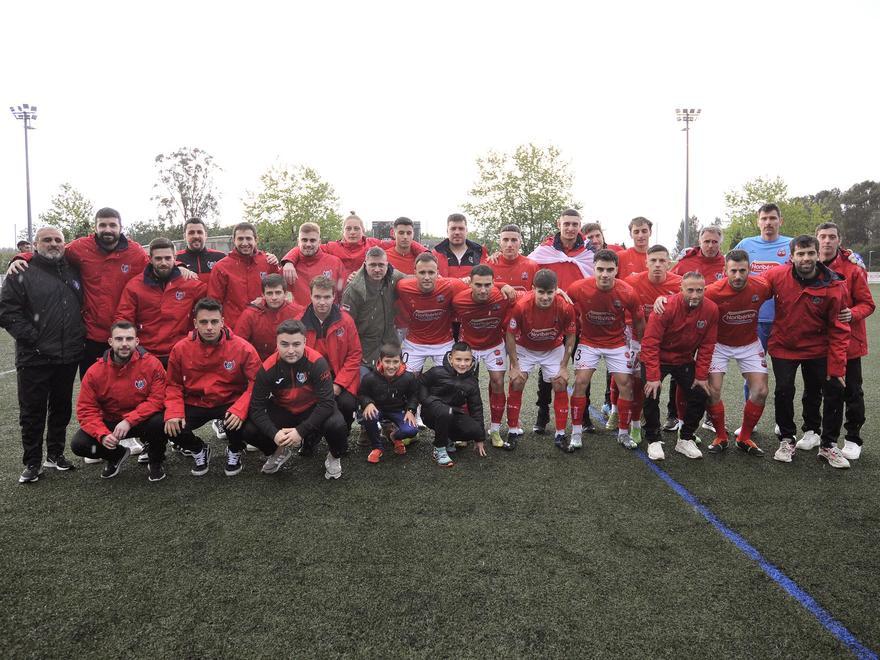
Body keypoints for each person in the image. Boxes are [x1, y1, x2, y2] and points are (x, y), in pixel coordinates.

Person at [7, 207, 149, 378]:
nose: (108, 229)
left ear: (121, 228)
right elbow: (52, 251)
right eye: (102, 225)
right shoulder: (80, 247)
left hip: (124, 333)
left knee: (126, 388)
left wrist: (178, 266)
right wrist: (23, 257)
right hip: (91, 336)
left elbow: (157, 269)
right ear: (95, 228)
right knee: (93, 386)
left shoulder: (136, 252)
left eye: (113, 225)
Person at [657, 249, 771, 455]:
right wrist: (663, 299)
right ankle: (721, 436)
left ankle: (744, 437)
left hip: (749, 343)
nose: (738, 276)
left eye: (742, 271)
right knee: (712, 390)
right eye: (733, 271)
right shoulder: (713, 291)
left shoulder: (762, 287)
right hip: (718, 344)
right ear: (725, 270)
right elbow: (686, 294)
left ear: (750, 269)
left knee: (761, 391)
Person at [0, 227, 84, 483]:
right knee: (32, 412)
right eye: (47, 240)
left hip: (67, 355)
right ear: (35, 245)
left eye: (58, 240)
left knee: (61, 408)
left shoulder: (72, 269)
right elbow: (6, 311)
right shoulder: (21, 271)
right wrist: (34, 339)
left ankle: (55, 454)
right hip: (34, 356)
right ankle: (32, 462)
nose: (53, 244)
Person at [762, 235, 851, 468]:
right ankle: (787, 439)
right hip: (784, 345)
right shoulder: (776, 275)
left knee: (832, 387)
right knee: (784, 389)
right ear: (791, 257)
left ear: (818, 254)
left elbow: (840, 329)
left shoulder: (834, 284)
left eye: (810, 253)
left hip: (818, 347)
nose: (806, 258)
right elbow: (747, 290)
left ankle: (828, 444)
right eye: (800, 254)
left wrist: (837, 366)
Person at [164, 298, 262, 477]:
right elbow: (173, 384)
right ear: (195, 324)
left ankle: (235, 448)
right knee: (166, 424)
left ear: (222, 322)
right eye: (203, 322)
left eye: (214, 321)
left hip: (229, 402)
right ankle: (198, 448)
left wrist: (240, 409)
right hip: (196, 402)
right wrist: (173, 412)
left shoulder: (243, 348)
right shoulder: (180, 349)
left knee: (247, 424)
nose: (209, 327)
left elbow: (257, 382)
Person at [244, 319, 348, 479]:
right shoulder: (267, 368)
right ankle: (278, 451)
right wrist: (274, 434)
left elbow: (327, 403)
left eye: (296, 344)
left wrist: (301, 431)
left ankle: (334, 456)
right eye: (285, 344)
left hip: (313, 409)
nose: (291, 350)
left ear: (305, 342)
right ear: (277, 343)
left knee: (337, 425)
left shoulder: (317, 362)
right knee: (248, 429)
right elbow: (256, 408)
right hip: (284, 409)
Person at [805, 223, 875, 460]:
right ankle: (812, 430)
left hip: (848, 343)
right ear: (816, 240)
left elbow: (868, 303)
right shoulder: (807, 265)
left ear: (839, 240)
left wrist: (852, 313)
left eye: (831, 237)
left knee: (851, 390)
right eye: (822, 236)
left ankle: (853, 437)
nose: (826, 241)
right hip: (816, 343)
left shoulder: (853, 269)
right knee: (813, 389)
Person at [567, 249, 645, 451]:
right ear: (593, 269)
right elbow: (563, 306)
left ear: (616, 270)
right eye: (600, 269)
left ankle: (624, 433)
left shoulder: (627, 291)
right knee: (580, 382)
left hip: (616, 343)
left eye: (610, 270)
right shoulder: (578, 288)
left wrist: (639, 347)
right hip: (589, 342)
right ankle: (576, 433)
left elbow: (638, 320)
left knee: (626, 385)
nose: (604, 274)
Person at [71, 322, 168, 481]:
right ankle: (116, 455)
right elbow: (86, 410)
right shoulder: (95, 371)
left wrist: (129, 421)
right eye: (119, 339)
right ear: (110, 342)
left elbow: (158, 399)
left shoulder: (152, 364)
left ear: (136, 341)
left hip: (142, 421)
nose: (124, 344)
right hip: (112, 424)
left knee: (162, 421)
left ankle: (155, 460)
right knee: (79, 444)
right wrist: (102, 434)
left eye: (129, 339)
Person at [527, 209, 595, 433]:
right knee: (548, 370)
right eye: (566, 224)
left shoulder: (590, 252)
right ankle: (542, 413)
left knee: (583, 368)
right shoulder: (544, 251)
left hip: (581, 319)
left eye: (575, 224)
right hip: (549, 320)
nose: (570, 228)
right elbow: (529, 276)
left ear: (580, 226)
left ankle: (583, 415)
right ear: (559, 224)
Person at [640, 272, 719, 461]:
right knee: (651, 393)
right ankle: (653, 439)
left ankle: (685, 438)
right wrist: (652, 376)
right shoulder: (665, 307)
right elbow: (650, 343)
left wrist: (701, 376)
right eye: (690, 290)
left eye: (699, 290)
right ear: (680, 289)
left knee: (700, 393)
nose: (695, 295)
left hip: (683, 358)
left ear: (704, 290)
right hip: (657, 357)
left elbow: (707, 345)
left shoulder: (711, 309)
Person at [604, 246, 682, 435]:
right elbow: (612, 297)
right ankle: (615, 411)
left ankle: (638, 420)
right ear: (646, 262)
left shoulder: (679, 283)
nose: (657, 265)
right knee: (622, 375)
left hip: (662, 339)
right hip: (633, 336)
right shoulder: (632, 281)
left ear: (669, 263)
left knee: (641, 381)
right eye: (653, 260)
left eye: (662, 261)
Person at [504, 269, 577, 450]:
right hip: (525, 347)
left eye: (550, 292)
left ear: (556, 289)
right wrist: (514, 365)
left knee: (560, 382)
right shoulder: (521, 305)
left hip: (552, 348)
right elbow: (510, 335)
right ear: (533, 289)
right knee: (517, 381)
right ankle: (513, 430)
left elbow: (571, 336)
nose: (545, 297)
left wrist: (564, 366)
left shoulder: (566, 306)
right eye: (541, 292)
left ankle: (560, 434)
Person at [452, 264, 516, 448]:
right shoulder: (458, 300)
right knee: (463, 387)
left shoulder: (502, 296)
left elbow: (530, 294)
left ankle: (494, 429)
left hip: (493, 345)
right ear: (469, 284)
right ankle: (464, 431)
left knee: (497, 382)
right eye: (478, 285)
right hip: (469, 346)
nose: (483, 289)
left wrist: (558, 290)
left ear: (493, 283)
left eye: (487, 285)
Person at [116, 237, 207, 365]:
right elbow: (124, 318)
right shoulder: (134, 286)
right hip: (146, 354)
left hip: (180, 352)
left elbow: (213, 302)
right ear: (150, 259)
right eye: (158, 259)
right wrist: (128, 345)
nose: (163, 262)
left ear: (175, 258)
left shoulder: (189, 283)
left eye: (168, 258)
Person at [670, 226, 726, 432]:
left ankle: (709, 417)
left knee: (708, 372)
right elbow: (671, 284)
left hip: (711, 324)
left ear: (720, 243)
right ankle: (673, 415)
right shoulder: (686, 261)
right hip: (684, 325)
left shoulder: (726, 264)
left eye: (714, 242)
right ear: (700, 241)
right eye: (707, 241)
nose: (710, 245)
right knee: (679, 370)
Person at [301, 275, 362, 434]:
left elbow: (355, 355)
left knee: (347, 404)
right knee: (307, 403)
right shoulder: (299, 321)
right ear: (310, 296)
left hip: (340, 375)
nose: (322, 302)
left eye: (327, 297)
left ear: (334, 297)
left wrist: (339, 384)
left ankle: (344, 431)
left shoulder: (346, 321)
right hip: (312, 377)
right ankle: (310, 437)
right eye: (317, 297)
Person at [395, 253, 470, 374]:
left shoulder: (451, 285)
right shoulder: (402, 286)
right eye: (422, 272)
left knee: (446, 380)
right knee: (406, 380)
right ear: (415, 273)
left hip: (443, 343)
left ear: (438, 272)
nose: (426, 277)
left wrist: (502, 286)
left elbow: (479, 289)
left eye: (431, 272)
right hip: (414, 343)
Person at [419, 342, 488, 467]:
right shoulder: (436, 372)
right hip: (431, 413)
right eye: (458, 359)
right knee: (446, 412)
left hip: (452, 413)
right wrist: (426, 401)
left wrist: (479, 437)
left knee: (474, 430)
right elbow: (420, 384)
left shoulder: (472, 382)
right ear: (451, 359)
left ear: (472, 361)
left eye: (467, 360)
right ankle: (439, 449)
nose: (462, 364)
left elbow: (476, 408)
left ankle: (447, 438)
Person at [341, 246, 407, 369]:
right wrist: (354, 352)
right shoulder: (354, 289)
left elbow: (412, 280)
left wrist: (437, 278)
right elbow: (345, 326)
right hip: (365, 349)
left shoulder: (393, 277)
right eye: (372, 265)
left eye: (381, 265)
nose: (377, 269)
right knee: (367, 383)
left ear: (387, 265)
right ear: (365, 265)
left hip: (390, 344)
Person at [207, 222, 280, 329]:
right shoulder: (221, 267)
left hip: (263, 325)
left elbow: (279, 292)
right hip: (233, 328)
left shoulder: (267, 262)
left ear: (256, 240)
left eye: (248, 238)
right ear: (234, 240)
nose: (245, 243)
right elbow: (214, 302)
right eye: (240, 239)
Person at [358, 342, 419, 463]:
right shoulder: (369, 378)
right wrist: (368, 403)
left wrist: (411, 410)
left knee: (411, 430)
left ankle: (394, 437)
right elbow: (362, 394)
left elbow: (414, 395)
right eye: (387, 362)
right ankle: (377, 447)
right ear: (380, 360)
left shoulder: (409, 377)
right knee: (368, 414)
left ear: (401, 361)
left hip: (398, 410)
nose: (391, 366)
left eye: (395, 362)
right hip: (378, 409)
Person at [234, 274, 305, 361]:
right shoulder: (250, 314)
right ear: (263, 295)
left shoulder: (298, 312)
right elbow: (238, 344)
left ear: (285, 294)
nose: (274, 297)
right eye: (269, 293)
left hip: (291, 362)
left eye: (278, 292)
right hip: (258, 363)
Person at [280, 222, 345, 307]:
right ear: (298, 242)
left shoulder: (335, 263)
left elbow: (343, 293)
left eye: (312, 240)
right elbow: (273, 291)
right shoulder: (289, 267)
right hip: (301, 318)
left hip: (329, 318)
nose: (308, 244)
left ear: (319, 242)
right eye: (304, 240)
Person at [432, 213, 488, 279]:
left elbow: (488, 279)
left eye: (461, 229)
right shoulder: (435, 254)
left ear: (466, 231)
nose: (457, 232)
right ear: (447, 231)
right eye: (453, 229)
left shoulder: (480, 252)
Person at [176, 217, 227, 284]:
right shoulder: (176, 258)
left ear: (205, 235)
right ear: (184, 236)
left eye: (199, 232)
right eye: (191, 233)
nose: (196, 236)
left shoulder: (220, 257)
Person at [490, 224, 539, 292]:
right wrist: (500, 285)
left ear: (520, 242)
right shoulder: (489, 264)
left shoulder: (532, 266)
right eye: (505, 240)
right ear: (500, 242)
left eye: (514, 240)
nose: (509, 245)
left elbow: (542, 292)